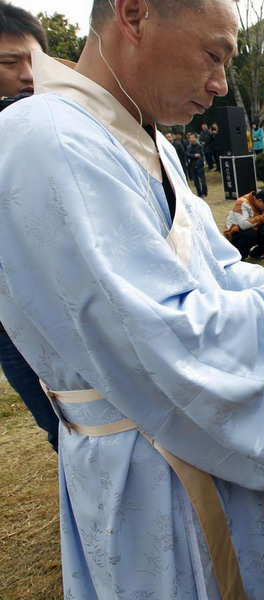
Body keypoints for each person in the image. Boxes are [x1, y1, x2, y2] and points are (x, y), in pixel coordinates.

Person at [0, 0, 264, 598]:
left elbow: (216, 277)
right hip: (142, 461)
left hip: (196, 438)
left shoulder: (144, 139)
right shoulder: (46, 138)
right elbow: (155, 334)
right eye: (213, 55)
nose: (219, 84)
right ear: (134, 14)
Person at [0, 1, 59, 452]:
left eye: (34, 60)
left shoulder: (61, 128)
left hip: (65, 305)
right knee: (60, 425)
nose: (27, 75)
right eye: (9, 62)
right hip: (9, 322)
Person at [223, 188, 264, 260]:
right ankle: (240, 258)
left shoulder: (261, 207)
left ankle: (256, 254)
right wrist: (262, 218)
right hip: (233, 236)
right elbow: (243, 225)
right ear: (260, 201)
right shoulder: (242, 202)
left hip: (251, 233)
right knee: (250, 233)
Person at [186, 131, 208, 197]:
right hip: (192, 165)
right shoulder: (188, 147)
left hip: (199, 165)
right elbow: (187, 154)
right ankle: (199, 193)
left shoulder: (199, 146)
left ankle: (204, 192)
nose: (192, 139)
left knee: (202, 180)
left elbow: (199, 154)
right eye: (190, 138)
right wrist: (194, 155)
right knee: (196, 181)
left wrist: (193, 155)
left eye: (193, 137)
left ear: (195, 138)